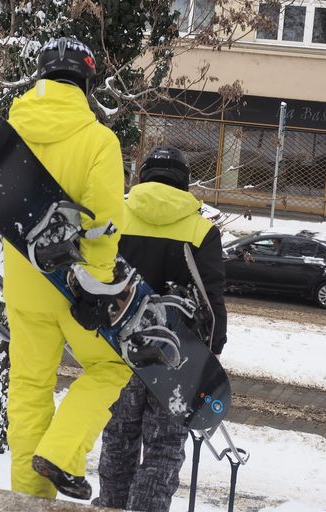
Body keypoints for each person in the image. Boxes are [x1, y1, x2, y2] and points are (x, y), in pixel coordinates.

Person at [0, 37, 132, 500]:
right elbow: (106, 221)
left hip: (24, 288)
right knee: (111, 366)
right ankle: (61, 453)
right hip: (73, 286)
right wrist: (98, 283)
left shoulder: (7, 135)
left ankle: (28, 500)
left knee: (29, 387)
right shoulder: (98, 141)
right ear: (86, 84)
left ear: (39, 77)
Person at [94, 146, 228, 511]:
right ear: (184, 182)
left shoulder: (116, 216)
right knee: (163, 448)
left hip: (119, 349)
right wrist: (213, 350)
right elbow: (211, 298)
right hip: (176, 358)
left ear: (143, 176)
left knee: (119, 438)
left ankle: (110, 505)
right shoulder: (201, 230)